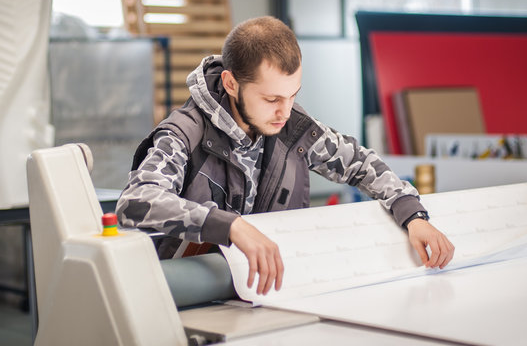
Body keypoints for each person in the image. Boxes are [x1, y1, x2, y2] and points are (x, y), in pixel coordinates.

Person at [116, 16, 454, 297]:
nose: (285, 111)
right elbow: (138, 201)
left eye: (293, 95)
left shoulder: (293, 129)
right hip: (193, 297)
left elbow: (360, 163)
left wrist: (413, 216)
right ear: (231, 84)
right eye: (271, 99)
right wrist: (231, 227)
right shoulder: (183, 134)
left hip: (272, 292)